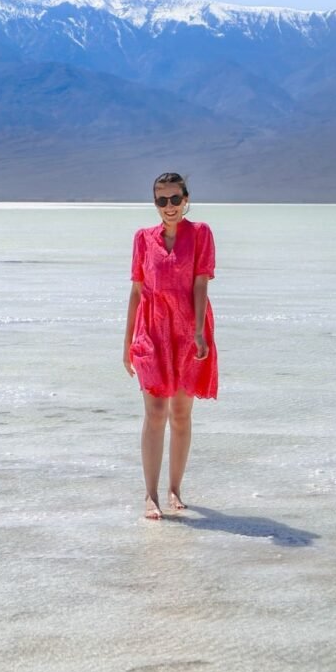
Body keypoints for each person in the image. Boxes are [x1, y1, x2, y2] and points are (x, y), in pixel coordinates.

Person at [123, 172, 218, 519]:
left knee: (180, 414)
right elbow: (136, 292)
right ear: (155, 204)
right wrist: (126, 343)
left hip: (187, 332)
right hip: (151, 333)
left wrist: (197, 331)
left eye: (175, 199)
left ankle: (175, 489)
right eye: (162, 200)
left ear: (186, 199)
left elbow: (200, 285)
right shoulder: (143, 239)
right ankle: (150, 495)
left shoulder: (201, 234)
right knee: (155, 413)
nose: (169, 207)